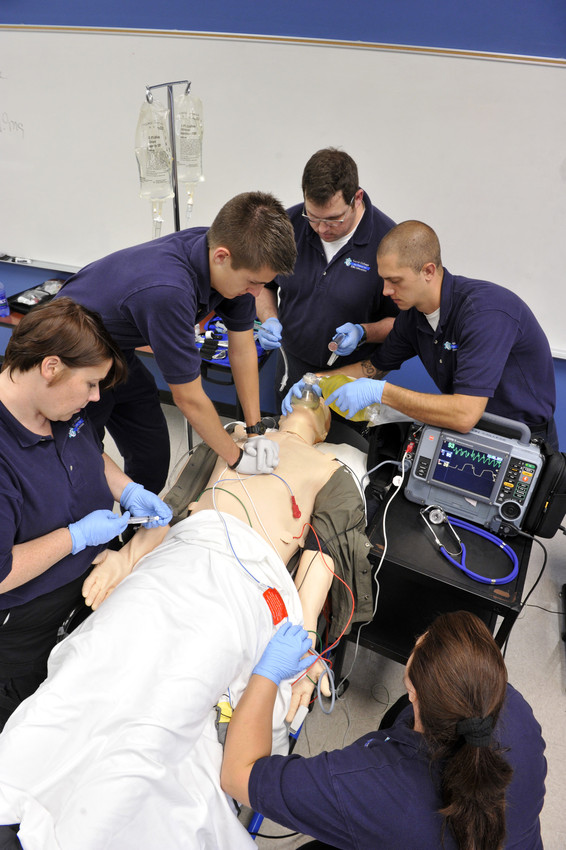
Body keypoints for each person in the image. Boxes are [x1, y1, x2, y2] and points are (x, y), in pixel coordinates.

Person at [0, 402, 372, 850]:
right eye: (299, 392)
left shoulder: (332, 470)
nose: (305, 395)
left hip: (244, 582)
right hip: (179, 554)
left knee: (177, 690)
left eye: (318, 401)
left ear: (327, 429)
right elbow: (173, 507)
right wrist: (129, 557)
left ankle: (103, 821)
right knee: (97, 658)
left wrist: (307, 637)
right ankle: (14, 782)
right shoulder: (231, 436)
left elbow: (320, 556)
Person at [221, 610, 547, 850]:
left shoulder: (369, 786)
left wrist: (268, 673)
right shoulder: (512, 707)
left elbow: (237, 775)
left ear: (413, 688)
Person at [0, 298, 172, 731]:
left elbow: (88, 448)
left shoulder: (57, 405)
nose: (97, 397)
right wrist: (74, 537)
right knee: (36, 727)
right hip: (26, 622)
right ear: (51, 367)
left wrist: (126, 488)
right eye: (91, 384)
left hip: (89, 578)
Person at [57, 191, 297, 495]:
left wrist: (254, 432)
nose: (256, 292)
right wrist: (236, 458)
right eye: (253, 282)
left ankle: (138, 526)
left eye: (263, 283)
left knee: (151, 454)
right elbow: (188, 398)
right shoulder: (169, 291)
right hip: (71, 356)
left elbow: (243, 347)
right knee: (81, 465)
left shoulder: (229, 267)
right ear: (221, 257)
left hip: (116, 353)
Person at [286, 220, 558, 449]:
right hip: (471, 434)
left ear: (428, 271)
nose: (386, 291)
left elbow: (465, 413)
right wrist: (313, 381)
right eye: (384, 280)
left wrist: (382, 393)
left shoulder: (485, 314)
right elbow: (373, 368)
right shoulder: (413, 318)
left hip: (522, 440)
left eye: (395, 281)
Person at [255, 148, 398, 433]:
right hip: (293, 368)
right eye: (314, 217)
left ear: (357, 198)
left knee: (345, 457)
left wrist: (363, 331)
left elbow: (403, 325)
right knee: (291, 443)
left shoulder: (388, 241)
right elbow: (262, 286)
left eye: (333, 219)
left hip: (352, 378)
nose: (321, 228)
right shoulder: (290, 225)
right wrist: (269, 318)